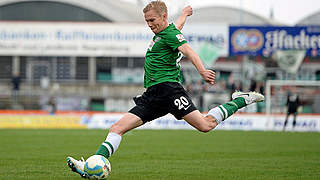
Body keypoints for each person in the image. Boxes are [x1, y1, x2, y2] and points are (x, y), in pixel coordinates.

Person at [66, 1, 264, 178]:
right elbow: (176, 27)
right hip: (153, 95)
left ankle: (240, 99)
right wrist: (184, 14)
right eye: (147, 21)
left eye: (152, 20)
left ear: (163, 17)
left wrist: (203, 70)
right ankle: (90, 165)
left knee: (205, 125)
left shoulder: (169, 34)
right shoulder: (165, 32)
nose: (150, 25)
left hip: (170, 90)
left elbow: (188, 50)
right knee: (117, 128)